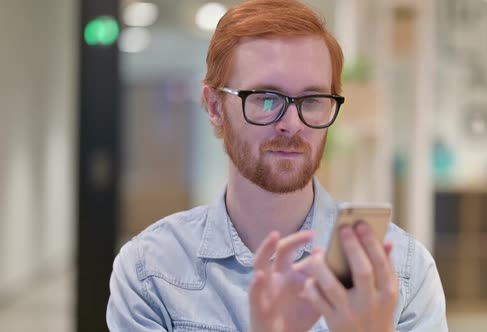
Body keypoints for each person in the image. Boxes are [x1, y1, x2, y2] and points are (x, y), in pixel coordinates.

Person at [106, 0, 448, 331]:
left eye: (312, 100)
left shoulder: (399, 273)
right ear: (214, 106)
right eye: (266, 99)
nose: (292, 124)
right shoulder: (151, 271)